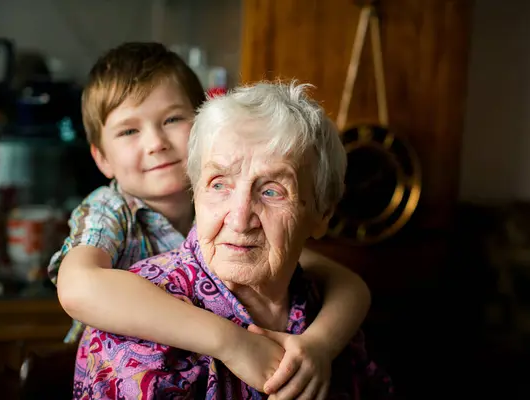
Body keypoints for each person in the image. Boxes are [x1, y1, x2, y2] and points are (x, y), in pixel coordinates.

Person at [49, 42, 372, 398]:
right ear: (101, 158)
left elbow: (345, 283)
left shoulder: (236, 226)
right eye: (129, 131)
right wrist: (230, 342)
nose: (156, 143)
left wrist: (321, 344)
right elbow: (79, 288)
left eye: (172, 119)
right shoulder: (110, 209)